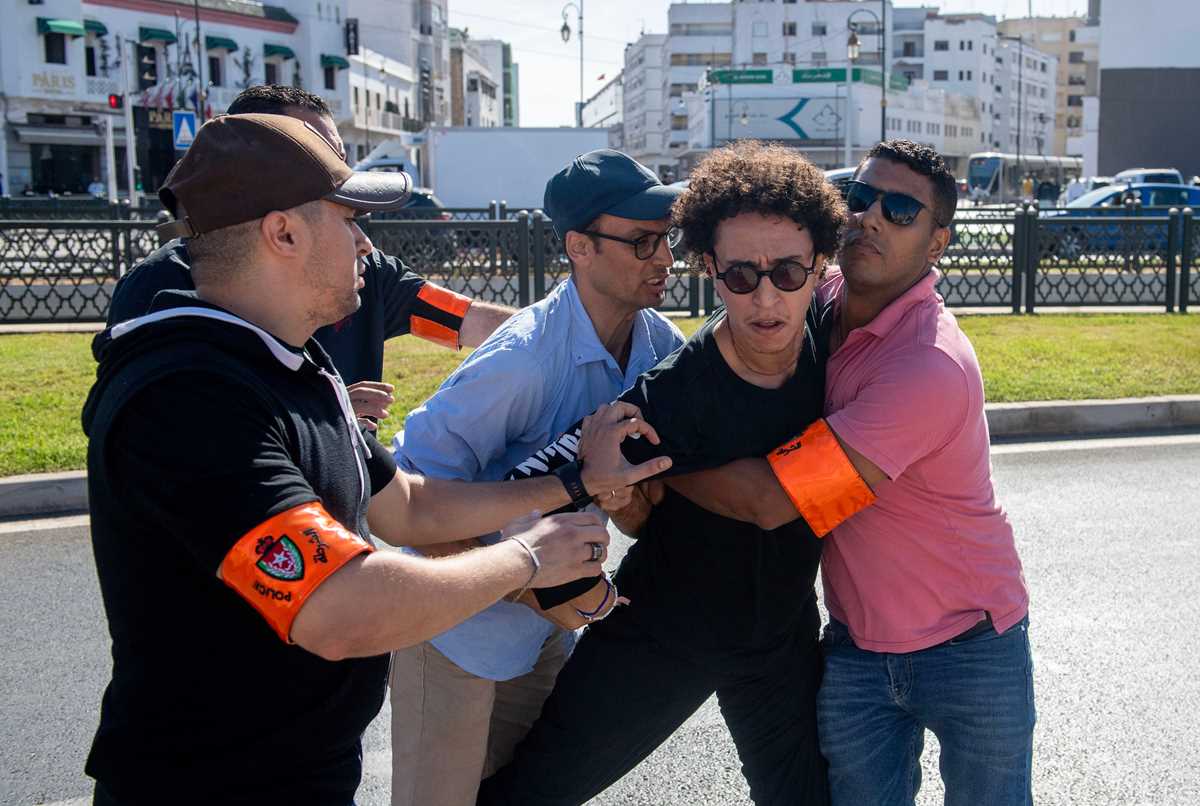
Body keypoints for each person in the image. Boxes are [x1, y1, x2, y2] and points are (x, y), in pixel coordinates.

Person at [82, 113, 671, 805]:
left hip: (303, 771)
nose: (367, 243)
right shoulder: (189, 400)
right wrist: (528, 561)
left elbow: (411, 506)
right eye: (350, 220)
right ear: (283, 234)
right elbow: (339, 608)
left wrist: (573, 482)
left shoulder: (296, 367)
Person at [477, 141, 851, 806]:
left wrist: (675, 474)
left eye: (789, 272)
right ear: (711, 269)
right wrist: (592, 512)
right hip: (664, 637)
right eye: (742, 275)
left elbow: (799, 494)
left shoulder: (838, 351)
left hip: (781, 637)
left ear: (820, 264)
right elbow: (527, 492)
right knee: (534, 793)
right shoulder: (666, 396)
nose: (766, 297)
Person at [664, 140, 1033, 806]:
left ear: (938, 242)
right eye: (860, 197)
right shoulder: (820, 295)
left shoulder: (928, 366)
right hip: (857, 648)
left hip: (971, 646)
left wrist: (657, 465)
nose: (870, 218)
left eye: (900, 210)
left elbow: (775, 500)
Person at [388, 148, 687, 806]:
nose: (665, 258)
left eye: (668, 238)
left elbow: (652, 502)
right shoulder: (523, 360)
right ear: (579, 246)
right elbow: (406, 501)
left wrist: (618, 504)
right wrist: (526, 583)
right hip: (452, 638)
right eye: (642, 241)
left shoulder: (660, 348)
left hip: (546, 634)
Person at [107, 85, 514, 426]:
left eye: (339, 157)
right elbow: (159, 435)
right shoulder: (158, 290)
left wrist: (550, 331)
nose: (336, 170)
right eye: (313, 150)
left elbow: (466, 320)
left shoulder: (365, 269)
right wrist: (319, 413)